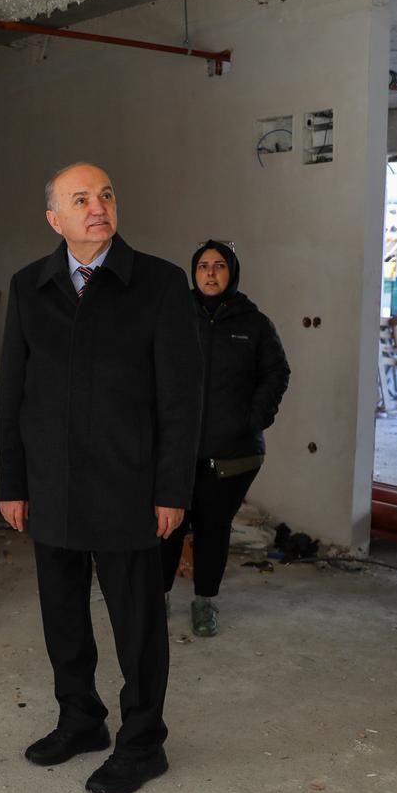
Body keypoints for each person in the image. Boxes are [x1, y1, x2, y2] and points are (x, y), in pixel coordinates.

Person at [0, 162, 201, 793]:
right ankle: (80, 719)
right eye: (81, 198)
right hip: (51, 486)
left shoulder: (160, 284)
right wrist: (13, 483)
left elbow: (181, 400)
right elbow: (13, 394)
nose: (98, 207)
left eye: (106, 195)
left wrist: (172, 490)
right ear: (54, 219)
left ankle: (143, 742)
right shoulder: (30, 287)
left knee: (137, 624)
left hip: (129, 487)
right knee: (62, 615)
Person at [157, 240, 290, 637]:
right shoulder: (174, 317)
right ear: (193, 273)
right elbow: (148, 368)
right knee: (167, 526)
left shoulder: (254, 323)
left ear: (232, 273)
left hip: (232, 451)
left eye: (219, 266)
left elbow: (277, 373)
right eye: (203, 266)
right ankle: (158, 596)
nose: (210, 273)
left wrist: (253, 419)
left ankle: (205, 602)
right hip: (177, 449)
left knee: (214, 529)